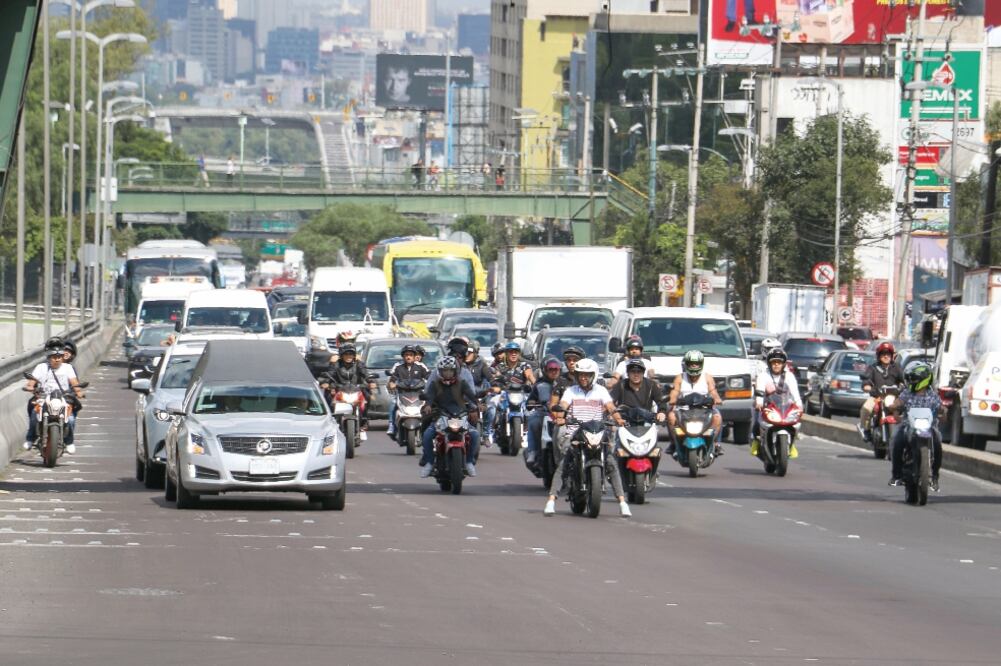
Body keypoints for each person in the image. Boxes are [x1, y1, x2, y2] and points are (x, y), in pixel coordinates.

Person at [543, 358, 631, 517]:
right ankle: (551, 501)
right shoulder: (571, 391)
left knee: (611, 463)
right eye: (580, 374)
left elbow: (610, 407)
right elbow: (562, 405)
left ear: (593, 375)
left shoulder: (601, 391)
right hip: (576, 432)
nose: (583, 377)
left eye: (587, 374)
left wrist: (618, 419)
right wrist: (561, 416)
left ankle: (623, 503)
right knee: (564, 464)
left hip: (598, 432)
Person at [420, 356, 480, 478]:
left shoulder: (462, 383)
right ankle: (430, 463)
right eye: (445, 371)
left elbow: (471, 395)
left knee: (475, 435)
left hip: (460, 417)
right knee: (427, 435)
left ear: (455, 371)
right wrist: (428, 405)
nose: (447, 373)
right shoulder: (434, 384)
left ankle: (469, 462)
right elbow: (429, 397)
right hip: (440, 417)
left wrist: (478, 404)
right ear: (440, 372)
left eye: (450, 371)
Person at [888, 362, 943, 491]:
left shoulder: (932, 395)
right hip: (908, 425)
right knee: (896, 441)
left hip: (929, 427)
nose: (910, 382)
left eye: (912, 379)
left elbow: (941, 407)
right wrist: (894, 406)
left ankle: (934, 475)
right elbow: (898, 402)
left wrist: (944, 410)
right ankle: (896, 475)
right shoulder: (907, 393)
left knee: (938, 443)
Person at [23, 346, 85, 454]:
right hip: (44, 397)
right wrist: (30, 387)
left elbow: (75, 383)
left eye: (59, 357)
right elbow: (31, 382)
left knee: (70, 419)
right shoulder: (41, 367)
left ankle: (69, 441)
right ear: (48, 357)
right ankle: (30, 438)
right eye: (54, 357)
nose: (57, 359)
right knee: (34, 414)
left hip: (63, 398)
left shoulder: (68, 368)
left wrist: (79, 392)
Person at [667, 350, 724, 455]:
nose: (694, 366)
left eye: (696, 364)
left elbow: (713, 391)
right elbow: (674, 392)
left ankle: (715, 443)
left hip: (704, 409)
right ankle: (674, 443)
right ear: (686, 364)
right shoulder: (680, 378)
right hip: (684, 409)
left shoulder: (707, 377)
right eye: (691, 363)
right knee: (671, 416)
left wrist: (717, 399)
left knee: (718, 417)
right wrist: (672, 400)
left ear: (701, 364)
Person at [751, 347, 802, 458]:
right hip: (768, 406)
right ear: (769, 363)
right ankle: (755, 442)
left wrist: (799, 405)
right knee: (757, 421)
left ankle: (792, 444)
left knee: (796, 424)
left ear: (783, 364)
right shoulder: (763, 376)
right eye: (774, 362)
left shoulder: (790, 376)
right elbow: (759, 391)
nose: (776, 365)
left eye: (779, 362)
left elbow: (795, 393)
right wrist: (759, 402)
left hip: (785, 407)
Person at [320, 342, 375, 442]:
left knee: (367, 396)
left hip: (356, 390)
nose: (349, 356)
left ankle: (363, 422)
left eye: (351, 354)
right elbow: (329, 375)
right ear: (341, 355)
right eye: (346, 354)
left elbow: (365, 374)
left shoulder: (359, 364)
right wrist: (325, 382)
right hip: (340, 390)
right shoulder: (336, 364)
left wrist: (371, 382)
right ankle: (330, 423)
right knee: (328, 399)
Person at [858, 341, 905, 443]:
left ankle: (906, 433)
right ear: (879, 356)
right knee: (866, 408)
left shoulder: (896, 367)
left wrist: (906, 386)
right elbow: (866, 381)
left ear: (892, 355)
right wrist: (867, 387)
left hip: (893, 398)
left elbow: (904, 380)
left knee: (907, 409)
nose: (886, 356)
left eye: (888, 354)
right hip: (877, 397)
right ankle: (866, 430)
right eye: (883, 354)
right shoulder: (873, 368)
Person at [525, 356, 568, 466]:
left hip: (563, 414)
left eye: (556, 369)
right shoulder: (539, 384)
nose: (554, 372)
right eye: (551, 369)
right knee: (533, 420)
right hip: (544, 413)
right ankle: (533, 450)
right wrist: (531, 402)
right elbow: (531, 399)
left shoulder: (565, 382)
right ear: (545, 370)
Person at [387, 344, 431, 440]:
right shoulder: (398, 367)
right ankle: (392, 426)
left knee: (428, 406)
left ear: (415, 357)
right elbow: (392, 379)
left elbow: (429, 377)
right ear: (403, 356)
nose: (408, 357)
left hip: (418, 394)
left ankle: (429, 429)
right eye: (406, 355)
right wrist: (392, 383)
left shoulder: (421, 366)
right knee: (393, 403)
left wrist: (430, 383)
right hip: (402, 393)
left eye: (411, 355)